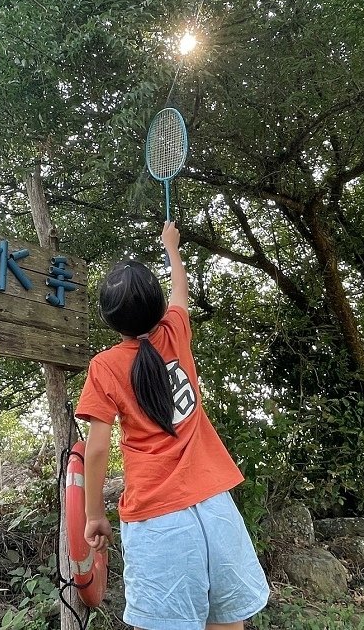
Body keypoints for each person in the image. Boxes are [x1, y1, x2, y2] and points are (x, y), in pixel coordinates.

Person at [75, 221, 270, 630]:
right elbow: (180, 290)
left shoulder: (105, 366)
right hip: (215, 506)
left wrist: (95, 514)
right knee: (228, 621)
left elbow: (95, 449)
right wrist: (171, 248)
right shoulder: (176, 331)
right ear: (159, 307)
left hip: (158, 517)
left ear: (110, 319)